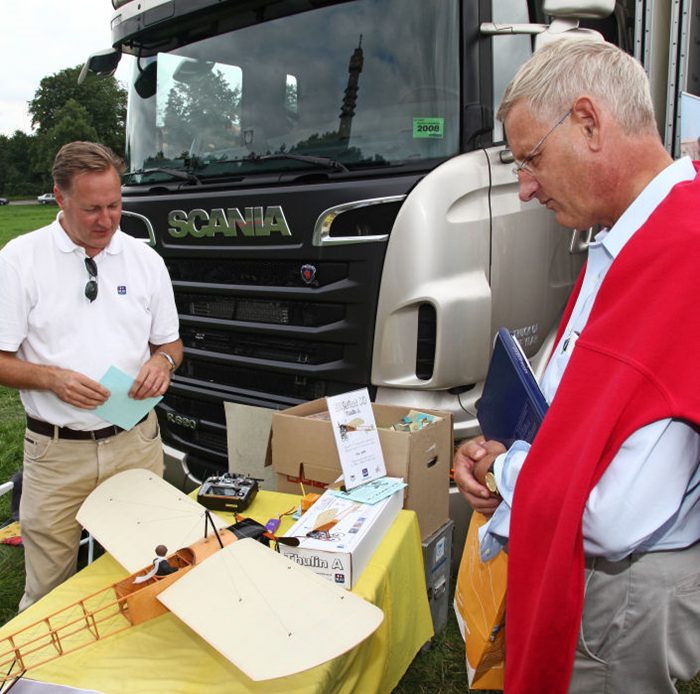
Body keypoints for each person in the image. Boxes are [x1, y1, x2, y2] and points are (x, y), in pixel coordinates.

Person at [454, 39, 700, 694]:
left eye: (531, 158)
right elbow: (587, 408)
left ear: (590, 122)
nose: (526, 186)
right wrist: (510, 448)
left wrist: (504, 469)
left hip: (624, 593)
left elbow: (617, 515)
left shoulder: (683, 254)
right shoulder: (629, 237)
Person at [0, 141, 183, 611]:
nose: (106, 220)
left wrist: (161, 364)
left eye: (115, 205)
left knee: (148, 573)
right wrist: (52, 379)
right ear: (60, 199)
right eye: (92, 209)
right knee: (49, 594)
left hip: (135, 442)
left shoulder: (146, 261)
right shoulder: (20, 261)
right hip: (57, 453)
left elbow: (170, 344)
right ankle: (42, 681)